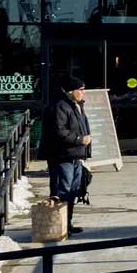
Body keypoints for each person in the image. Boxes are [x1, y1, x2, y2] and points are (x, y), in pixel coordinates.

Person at [43, 76, 94, 229]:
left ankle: (67, 223)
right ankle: (60, 225)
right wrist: (79, 139)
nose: (83, 93)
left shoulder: (75, 105)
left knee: (73, 190)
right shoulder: (60, 106)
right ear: (71, 91)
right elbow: (59, 131)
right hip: (62, 156)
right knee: (62, 190)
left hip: (75, 155)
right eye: (81, 90)